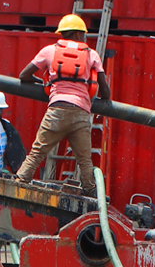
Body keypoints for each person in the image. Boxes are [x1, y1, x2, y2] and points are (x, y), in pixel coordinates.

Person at [16, 14, 111, 196]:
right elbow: (105, 92)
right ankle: (91, 192)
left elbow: (23, 76)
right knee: (85, 161)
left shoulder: (49, 51)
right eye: (83, 35)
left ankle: (20, 181)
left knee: (37, 152)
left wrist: (45, 84)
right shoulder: (92, 54)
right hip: (81, 113)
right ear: (77, 35)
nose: (84, 38)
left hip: (57, 110)